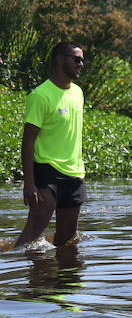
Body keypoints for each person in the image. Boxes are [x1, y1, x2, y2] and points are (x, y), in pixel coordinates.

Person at [14, 42, 87, 249]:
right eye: (77, 59)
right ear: (60, 59)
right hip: (47, 172)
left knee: (67, 238)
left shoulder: (78, 93)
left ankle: (64, 280)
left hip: (74, 174)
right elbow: (28, 142)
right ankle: (16, 270)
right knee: (33, 235)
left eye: (82, 59)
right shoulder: (40, 95)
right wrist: (29, 184)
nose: (81, 64)